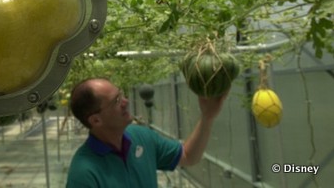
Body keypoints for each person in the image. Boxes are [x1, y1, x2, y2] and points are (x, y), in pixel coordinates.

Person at [65, 77, 228, 188]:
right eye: (116, 100)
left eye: (121, 94)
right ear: (95, 120)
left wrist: (207, 117)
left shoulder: (141, 136)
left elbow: (187, 156)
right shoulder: (84, 172)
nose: (126, 101)